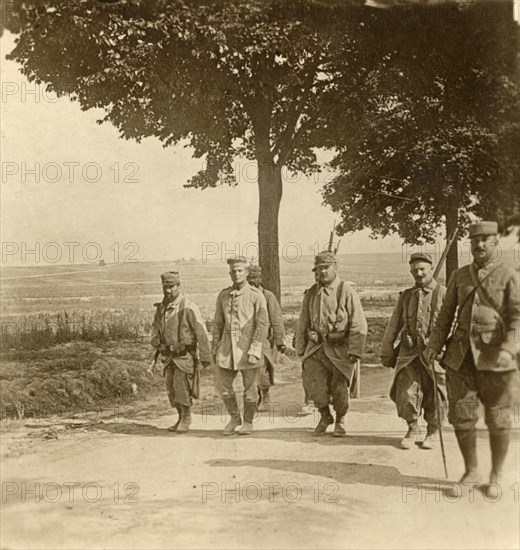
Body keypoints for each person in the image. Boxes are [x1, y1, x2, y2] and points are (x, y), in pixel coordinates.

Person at [425, 221, 520, 497]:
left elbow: (517, 315)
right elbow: (445, 315)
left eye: (485, 240)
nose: (479, 245)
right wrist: (434, 344)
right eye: (474, 241)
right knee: (461, 414)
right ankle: (471, 471)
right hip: (460, 356)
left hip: (496, 357)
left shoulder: (509, 274)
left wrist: (509, 349)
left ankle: (497, 474)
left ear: (495, 242)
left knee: (498, 416)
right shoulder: (460, 275)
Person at [295, 251, 368, 436]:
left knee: (339, 388)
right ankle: (325, 415)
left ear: (335, 267)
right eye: (319, 269)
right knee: (314, 385)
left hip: (339, 350)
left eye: (326, 268)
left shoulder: (346, 290)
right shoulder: (312, 292)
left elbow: (358, 322)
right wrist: (302, 346)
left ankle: (340, 419)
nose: (322, 272)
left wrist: (355, 350)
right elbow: (303, 321)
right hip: (316, 348)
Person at [380, 252, 447, 449]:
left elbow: (452, 323)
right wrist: (387, 350)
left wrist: (438, 344)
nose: (418, 274)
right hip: (408, 353)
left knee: (436, 392)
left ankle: (433, 431)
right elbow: (394, 324)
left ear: (431, 269)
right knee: (406, 391)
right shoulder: (407, 296)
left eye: (422, 269)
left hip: (435, 353)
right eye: (414, 271)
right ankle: (412, 427)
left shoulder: (443, 293)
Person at [212, 256, 269, 435]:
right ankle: (235, 417)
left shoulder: (255, 296)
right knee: (223, 386)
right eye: (233, 271)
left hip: (248, 350)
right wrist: (215, 347)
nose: (236, 274)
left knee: (250, 391)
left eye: (240, 271)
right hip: (227, 350)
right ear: (230, 273)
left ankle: (249, 422)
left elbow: (262, 324)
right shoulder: (223, 295)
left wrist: (255, 350)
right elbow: (217, 324)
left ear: (246, 272)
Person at [151, 271, 212, 433]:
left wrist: (206, 356)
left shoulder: (188, 306)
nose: (168, 290)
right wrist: (156, 341)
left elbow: (201, 332)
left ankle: (186, 417)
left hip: (185, 357)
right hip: (168, 357)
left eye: (171, 287)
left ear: (178, 286)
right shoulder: (161, 308)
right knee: (171, 388)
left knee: (182, 387)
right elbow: (155, 327)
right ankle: (179, 417)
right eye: (165, 287)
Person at [246, 265, 286, 412]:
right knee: (250, 371)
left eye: (254, 279)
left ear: (260, 279)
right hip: (246, 340)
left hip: (264, 340)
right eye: (249, 279)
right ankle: (255, 397)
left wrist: (280, 341)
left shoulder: (268, 296)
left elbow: (276, 320)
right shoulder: (244, 296)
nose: (251, 282)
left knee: (262, 369)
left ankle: (265, 394)